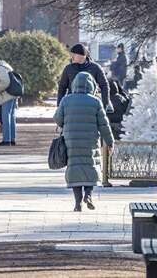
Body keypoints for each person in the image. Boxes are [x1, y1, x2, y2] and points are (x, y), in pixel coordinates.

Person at [54, 72, 115, 212]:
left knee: (75, 168)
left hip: (72, 141)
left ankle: (77, 203)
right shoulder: (95, 101)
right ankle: (88, 195)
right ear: (91, 86)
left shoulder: (66, 100)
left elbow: (58, 119)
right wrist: (110, 142)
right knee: (89, 168)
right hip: (90, 141)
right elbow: (104, 125)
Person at [57, 44, 112, 113]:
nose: (72, 57)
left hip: (90, 105)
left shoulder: (95, 68)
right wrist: (59, 106)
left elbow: (104, 86)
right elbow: (62, 87)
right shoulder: (68, 68)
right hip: (72, 104)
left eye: (74, 54)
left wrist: (104, 105)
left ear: (82, 55)